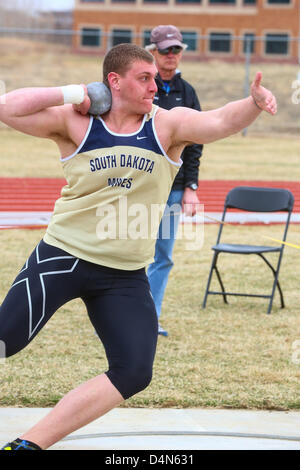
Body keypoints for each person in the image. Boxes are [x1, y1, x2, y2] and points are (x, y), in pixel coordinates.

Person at [0, 43, 276, 450]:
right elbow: (8, 107)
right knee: (6, 340)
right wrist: (75, 93)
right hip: (63, 257)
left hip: (123, 275)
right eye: (144, 79)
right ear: (115, 81)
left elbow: (218, 122)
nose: (154, 86)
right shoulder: (77, 124)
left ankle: (28, 445)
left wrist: (252, 103)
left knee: (134, 371)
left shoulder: (167, 125)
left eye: (154, 79)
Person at [146, 25, 203, 336]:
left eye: (176, 49)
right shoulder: (141, 86)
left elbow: (196, 143)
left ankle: (150, 318)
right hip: (140, 187)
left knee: (162, 255)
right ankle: (121, 316)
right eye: (165, 50)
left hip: (174, 188)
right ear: (152, 51)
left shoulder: (188, 92)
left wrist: (191, 188)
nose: (171, 55)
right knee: (129, 251)